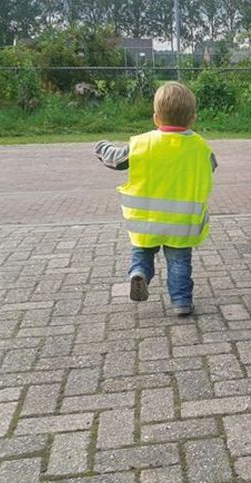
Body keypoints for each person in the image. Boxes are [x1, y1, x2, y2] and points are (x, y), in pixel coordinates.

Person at [94, 82, 217, 316]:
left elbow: (115, 159)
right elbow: (211, 167)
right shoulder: (200, 147)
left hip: (145, 221)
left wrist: (101, 147)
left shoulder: (142, 144)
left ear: (156, 117)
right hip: (181, 225)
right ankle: (181, 302)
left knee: (142, 252)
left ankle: (139, 273)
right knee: (179, 263)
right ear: (192, 118)